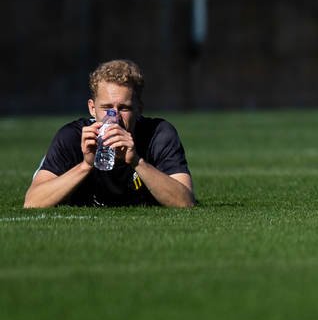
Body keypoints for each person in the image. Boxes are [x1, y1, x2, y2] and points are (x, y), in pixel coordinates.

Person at [25, 59, 195, 209]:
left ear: (139, 109)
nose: (114, 117)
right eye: (106, 108)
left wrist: (136, 161)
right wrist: (85, 165)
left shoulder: (159, 134)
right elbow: (32, 201)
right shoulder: (73, 136)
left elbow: (185, 201)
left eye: (124, 108)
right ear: (92, 108)